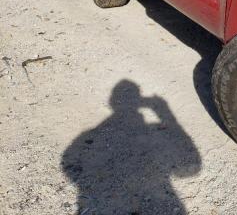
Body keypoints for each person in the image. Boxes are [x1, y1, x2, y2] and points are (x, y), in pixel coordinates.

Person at [61, 80, 201, 214]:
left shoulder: (88, 135)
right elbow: (192, 168)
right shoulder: (150, 127)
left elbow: (68, 165)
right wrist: (166, 114)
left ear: (111, 101)